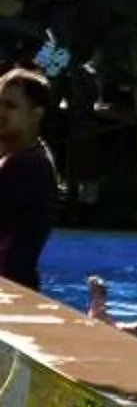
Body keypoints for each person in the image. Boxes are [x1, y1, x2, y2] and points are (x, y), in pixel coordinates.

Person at [0, 68, 59, 292]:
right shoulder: (32, 155)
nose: (1, 111)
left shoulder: (26, 166)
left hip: (9, 294)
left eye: (10, 106)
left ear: (36, 115)